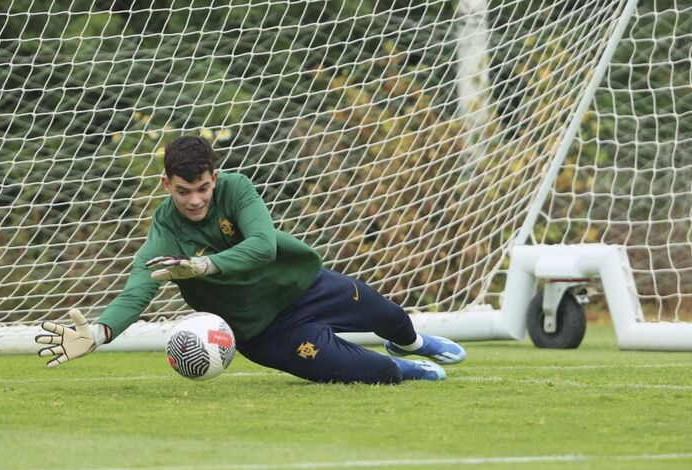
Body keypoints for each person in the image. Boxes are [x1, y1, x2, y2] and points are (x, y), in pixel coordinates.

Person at [36, 135, 466, 384]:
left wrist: (205, 266)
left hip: (305, 287)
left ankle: (410, 342)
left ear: (214, 178)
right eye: (183, 191)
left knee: (390, 314)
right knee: (369, 372)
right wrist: (99, 330)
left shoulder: (238, 188)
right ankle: (401, 364)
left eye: (202, 188)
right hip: (265, 333)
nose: (194, 200)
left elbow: (264, 245)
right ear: (166, 184)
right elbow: (139, 288)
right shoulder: (165, 233)